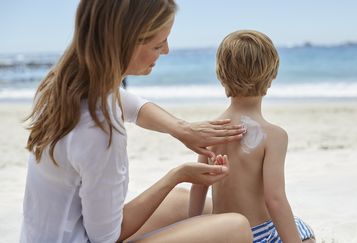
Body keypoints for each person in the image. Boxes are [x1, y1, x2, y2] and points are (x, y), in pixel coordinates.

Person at [21, 1, 253, 242]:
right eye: (158, 44)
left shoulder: (59, 83)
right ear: (127, 43)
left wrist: (181, 129)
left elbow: (130, 104)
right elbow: (106, 237)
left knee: (182, 201)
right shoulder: (100, 130)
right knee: (236, 227)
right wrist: (176, 175)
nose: (166, 51)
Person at [188, 30, 316, 243]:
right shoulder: (274, 136)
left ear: (221, 76)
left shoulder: (209, 131)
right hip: (257, 234)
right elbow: (275, 200)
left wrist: (193, 230)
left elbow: (199, 186)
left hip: (221, 233)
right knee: (304, 231)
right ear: (271, 76)